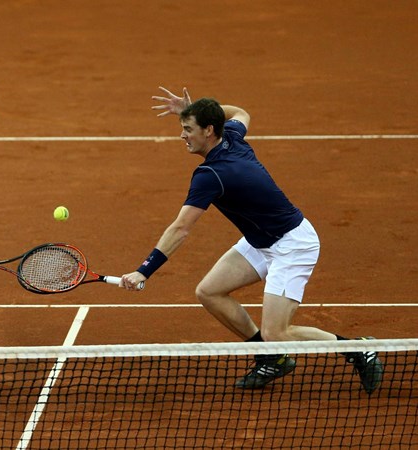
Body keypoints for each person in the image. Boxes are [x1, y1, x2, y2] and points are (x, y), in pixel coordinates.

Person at [120, 87, 384, 393]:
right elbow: (241, 112)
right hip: (261, 241)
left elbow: (181, 229)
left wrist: (144, 270)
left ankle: (358, 348)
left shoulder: (210, 174)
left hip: (291, 245)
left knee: (277, 332)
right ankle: (273, 359)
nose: (182, 135)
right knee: (209, 292)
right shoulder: (232, 135)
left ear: (208, 130)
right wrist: (195, 110)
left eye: (188, 128)